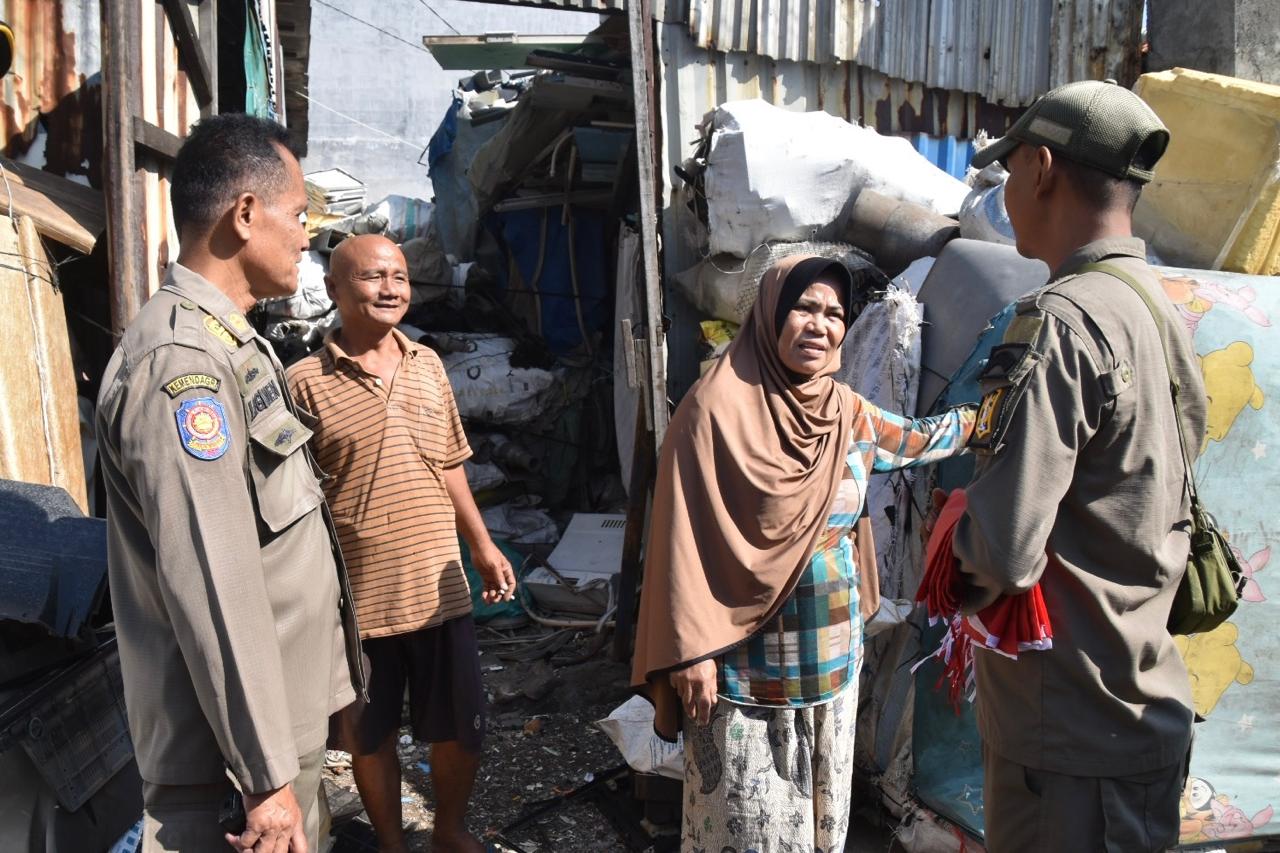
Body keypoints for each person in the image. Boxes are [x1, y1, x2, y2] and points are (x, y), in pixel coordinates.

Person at [631, 254, 975, 852]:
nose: (820, 325)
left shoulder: (846, 413)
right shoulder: (712, 410)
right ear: (770, 315)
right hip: (740, 673)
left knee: (818, 830)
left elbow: (918, 439)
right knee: (743, 831)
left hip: (833, 665)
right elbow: (676, 542)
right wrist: (690, 651)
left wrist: (983, 417)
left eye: (835, 314)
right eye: (804, 307)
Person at [949, 80, 1207, 852]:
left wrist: (949, 545)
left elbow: (1004, 548)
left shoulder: (1063, 321)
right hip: (1140, 707)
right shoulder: (1158, 306)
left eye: (1009, 169)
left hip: (1069, 742)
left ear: (1043, 167)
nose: (1007, 191)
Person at [96, 114, 364, 853]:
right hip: (235, 773)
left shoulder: (232, 343)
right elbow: (213, 579)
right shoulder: (183, 367)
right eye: (299, 215)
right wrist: (267, 779)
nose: (308, 235)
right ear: (245, 214)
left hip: (270, 740)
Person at [286, 234, 515, 853]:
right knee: (369, 732)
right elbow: (294, 497)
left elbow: (449, 463)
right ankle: (391, 842)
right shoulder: (302, 383)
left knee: (463, 730)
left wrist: (483, 545)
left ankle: (448, 829)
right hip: (360, 597)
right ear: (334, 290)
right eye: (372, 277)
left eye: (401, 277)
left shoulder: (428, 364)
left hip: (440, 584)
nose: (391, 288)